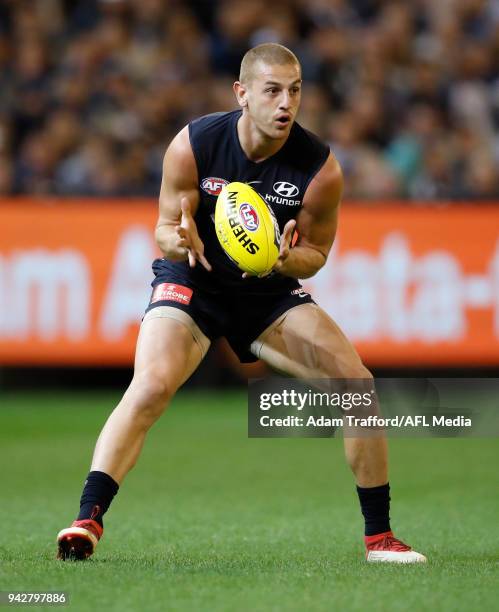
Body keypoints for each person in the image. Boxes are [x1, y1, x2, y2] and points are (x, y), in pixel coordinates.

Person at [57, 43, 426, 563]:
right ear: (242, 93)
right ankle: (86, 520)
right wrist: (178, 240)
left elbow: (316, 254)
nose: (285, 104)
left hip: (265, 292)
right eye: (272, 90)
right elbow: (164, 228)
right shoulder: (195, 144)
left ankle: (380, 540)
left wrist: (283, 260)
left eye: (295, 91)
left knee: (358, 387)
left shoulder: (319, 168)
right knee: (150, 386)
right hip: (194, 282)